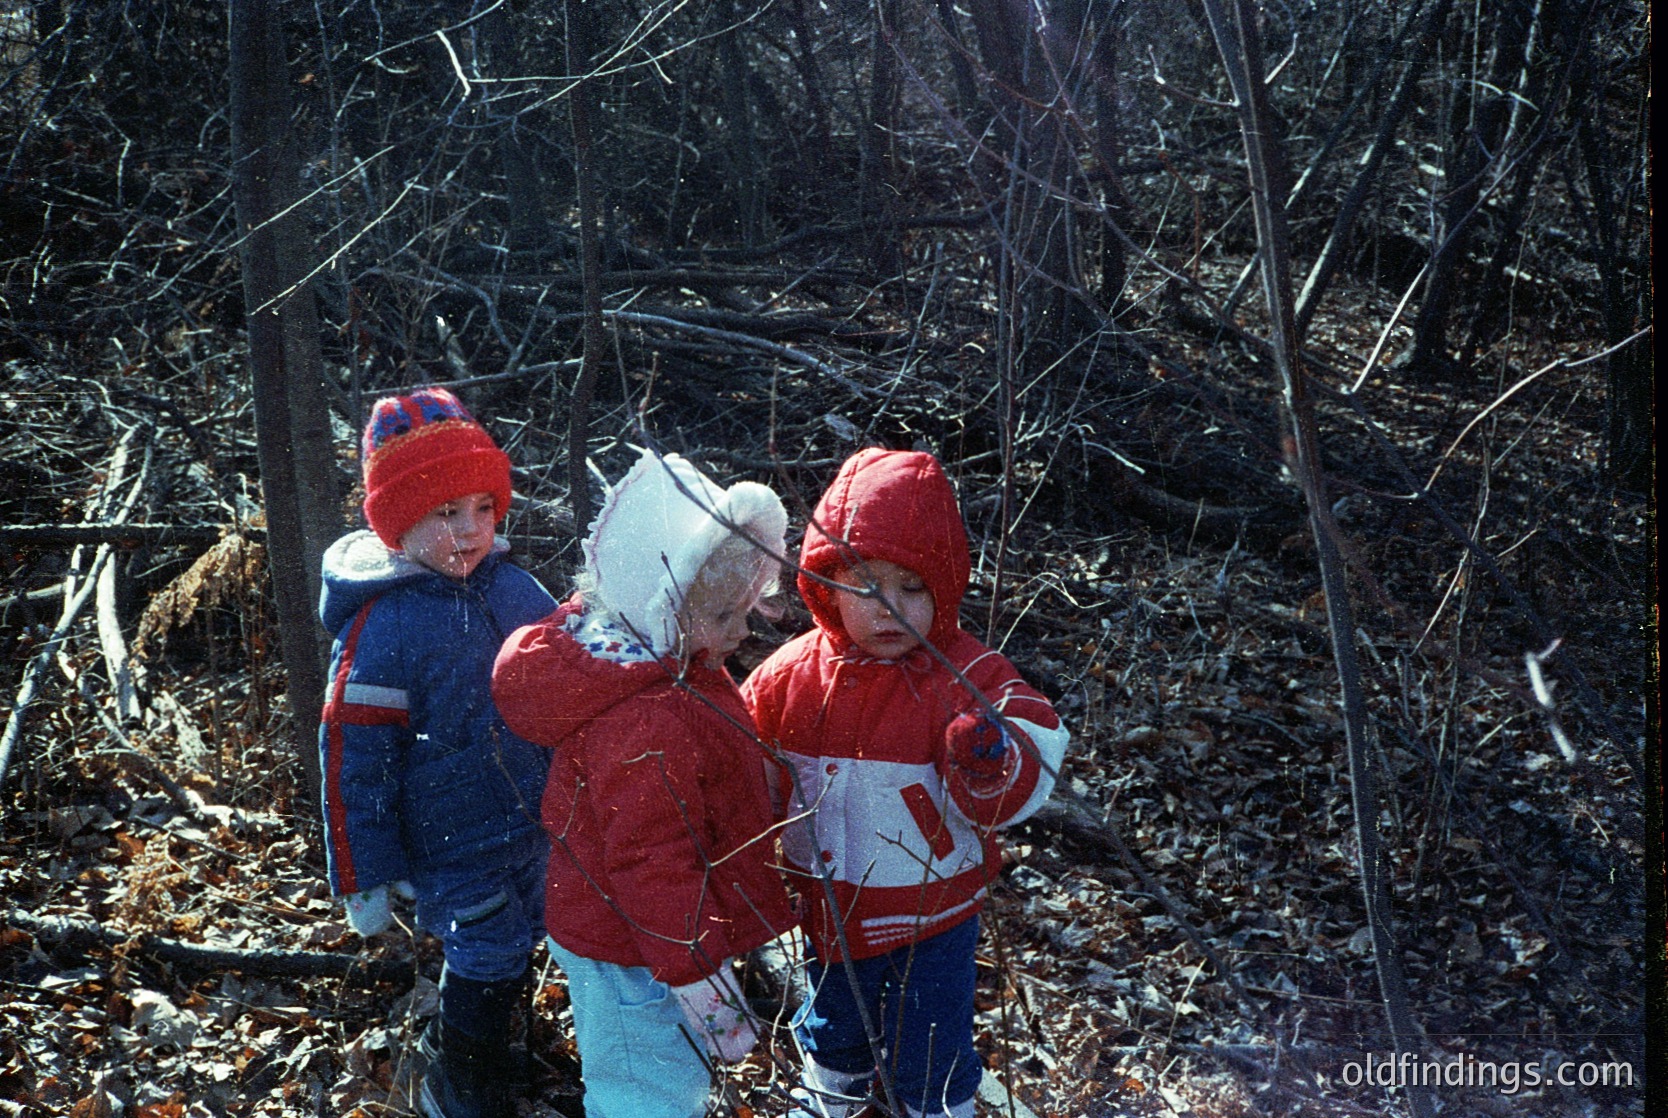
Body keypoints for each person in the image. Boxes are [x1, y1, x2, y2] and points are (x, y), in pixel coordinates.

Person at [743, 448, 1071, 1118]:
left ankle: (936, 1107)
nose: (887, 610)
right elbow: (741, 765)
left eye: (912, 588)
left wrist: (989, 757)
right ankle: (832, 1095)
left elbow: (1036, 740)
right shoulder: (792, 677)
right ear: (824, 585)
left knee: (931, 1048)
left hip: (935, 911)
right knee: (835, 1027)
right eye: (864, 586)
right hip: (831, 907)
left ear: (944, 588)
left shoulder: (968, 675)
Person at [492, 448, 798, 1118]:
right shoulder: (645, 719)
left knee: (663, 1078)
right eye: (725, 616)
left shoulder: (667, 663)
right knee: (646, 1092)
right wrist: (696, 972)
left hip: (642, 939)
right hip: (635, 947)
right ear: (664, 606)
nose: (741, 632)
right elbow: (650, 861)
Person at [316, 386, 557, 1118]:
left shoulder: (516, 589)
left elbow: (572, 672)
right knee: (485, 953)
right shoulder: (383, 627)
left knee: (526, 941)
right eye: (447, 514)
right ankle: (462, 1082)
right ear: (399, 524)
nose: (471, 530)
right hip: (451, 844)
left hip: (536, 821)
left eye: (484, 508)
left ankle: (502, 1043)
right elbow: (353, 762)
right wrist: (363, 874)